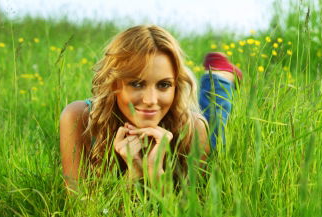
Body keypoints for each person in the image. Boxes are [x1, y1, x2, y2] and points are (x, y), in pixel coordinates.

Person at [59, 24, 241, 191]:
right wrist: (135, 174)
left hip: (186, 121)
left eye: (164, 85)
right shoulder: (78, 118)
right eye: (137, 84)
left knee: (215, 133)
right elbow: (81, 214)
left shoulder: (194, 128)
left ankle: (220, 78)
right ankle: (219, 76)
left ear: (176, 87)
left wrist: (155, 174)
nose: (150, 100)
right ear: (115, 84)